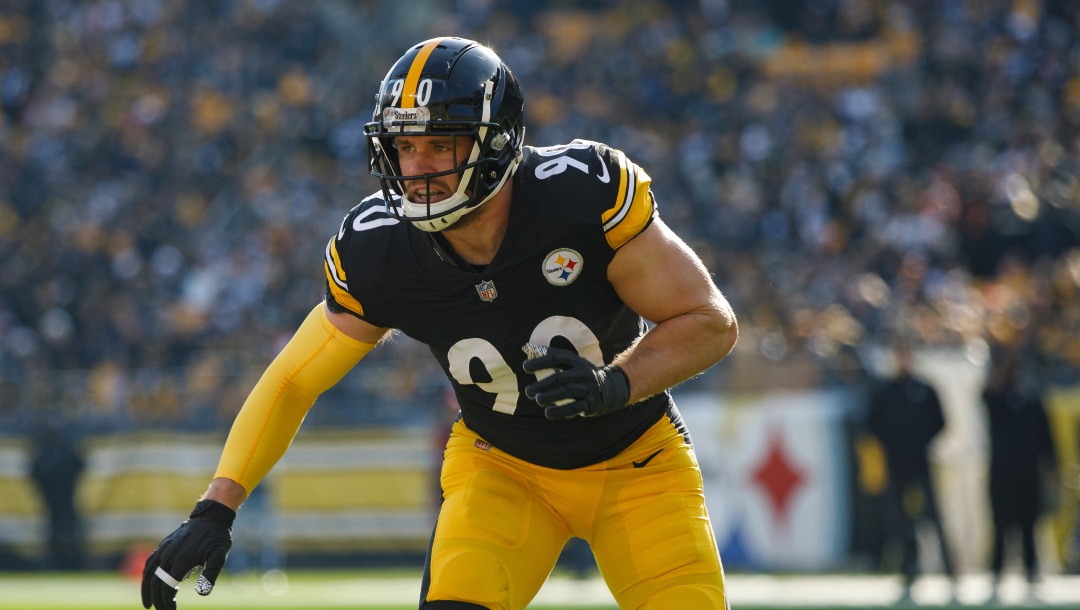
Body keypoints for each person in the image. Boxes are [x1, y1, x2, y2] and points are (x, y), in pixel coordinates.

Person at [141, 36, 738, 610]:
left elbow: (709, 320)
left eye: (439, 145)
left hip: (637, 460)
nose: (417, 167)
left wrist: (616, 383)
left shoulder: (581, 195)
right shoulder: (379, 250)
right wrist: (217, 506)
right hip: (502, 467)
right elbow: (296, 379)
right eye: (403, 148)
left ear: (496, 143)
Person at [864, 341, 956, 601]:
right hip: (896, 464)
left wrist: (920, 442)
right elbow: (872, 423)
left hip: (920, 461)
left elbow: (940, 421)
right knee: (900, 520)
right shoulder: (886, 390)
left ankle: (949, 569)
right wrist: (892, 443)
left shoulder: (924, 389)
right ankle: (910, 568)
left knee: (933, 517)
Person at [982, 348, 1058, 597]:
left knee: (1028, 527)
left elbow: (1047, 441)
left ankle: (1031, 570)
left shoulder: (1033, 400)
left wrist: (1051, 473)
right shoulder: (998, 397)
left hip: (1028, 475)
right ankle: (996, 572)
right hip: (1001, 474)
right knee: (1001, 527)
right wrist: (1002, 365)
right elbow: (986, 396)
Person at [29, 420, 86, 571]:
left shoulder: (53, 454)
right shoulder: (59, 453)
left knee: (64, 532)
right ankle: (60, 564)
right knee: (58, 532)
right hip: (57, 502)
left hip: (61, 501)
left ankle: (67, 564)